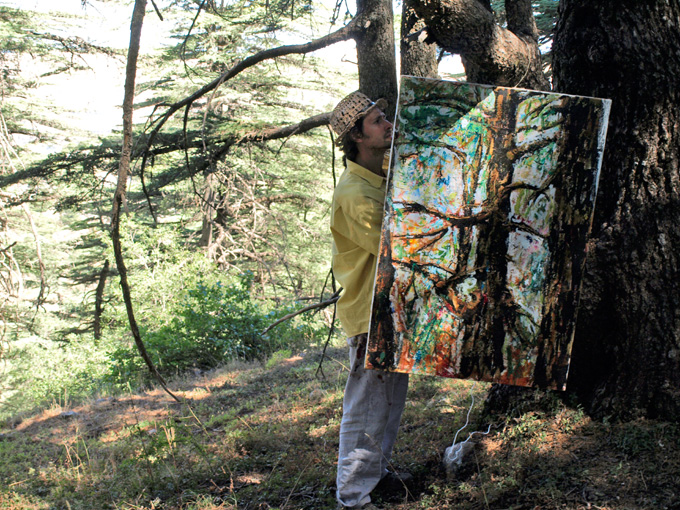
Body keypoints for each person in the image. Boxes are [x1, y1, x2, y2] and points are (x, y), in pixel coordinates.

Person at [329, 91, 411, 510]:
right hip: (370, 312)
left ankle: (375, 476)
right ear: (357, 138)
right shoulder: (355, 192)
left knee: (389, 400)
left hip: (389, 307)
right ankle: (352, 496)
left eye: (384, 117)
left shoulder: (377, 178)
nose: (388, 124)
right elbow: (394, 244)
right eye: (377, 121)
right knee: (366, 405)